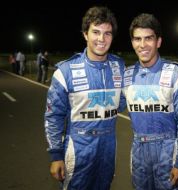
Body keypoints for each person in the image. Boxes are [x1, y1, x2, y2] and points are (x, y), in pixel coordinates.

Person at [44, 6, 126, 190]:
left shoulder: (119, 66)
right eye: (95, 32)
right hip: (78, 146)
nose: (101, 39)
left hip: (108, 146)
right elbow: (53, 117)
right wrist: (56, 156)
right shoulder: (65, 71)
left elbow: (121, 104)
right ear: (85, 34)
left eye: (107, 33)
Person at [123, 13, 178, 190]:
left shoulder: (176, 75)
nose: (142, 45)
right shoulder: (126, 76)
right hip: (139, 151)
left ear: (158, 42)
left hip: (168, 152)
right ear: (132, 42)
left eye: (148, 38)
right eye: (137, 39)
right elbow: (110, 106)